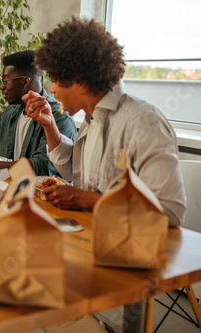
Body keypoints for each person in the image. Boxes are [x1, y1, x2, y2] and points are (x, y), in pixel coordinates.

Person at [23, 17, 187, 333]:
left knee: (38, 296)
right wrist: (49, 124)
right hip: (90, 244)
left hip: (128, 259)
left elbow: (169, 210)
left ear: (81, 81)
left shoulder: (142, 122)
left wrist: (87, 199)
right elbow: (74, 169)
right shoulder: (93, 117)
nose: (51, 89)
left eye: (55, 80)